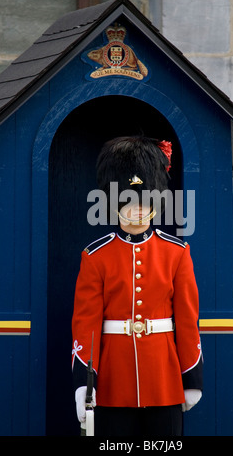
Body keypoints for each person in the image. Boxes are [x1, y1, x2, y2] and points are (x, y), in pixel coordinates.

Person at [71, 136, 203, 436]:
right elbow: (86, 323)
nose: (138, 210)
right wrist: (83, 381)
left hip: (164, 378)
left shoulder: (177, 253)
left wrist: (191, 376)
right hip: (113, 381)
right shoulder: (95, 256)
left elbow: (186, 319)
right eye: (128, 202)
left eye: (145, 201)